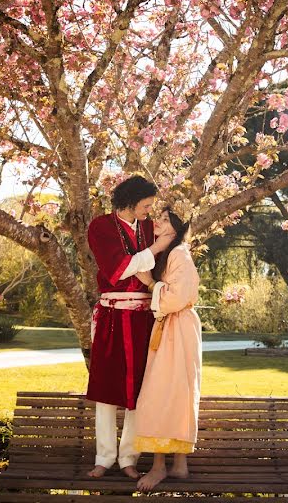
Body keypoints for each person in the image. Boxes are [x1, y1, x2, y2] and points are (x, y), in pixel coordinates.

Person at [85, 176, 174, 479]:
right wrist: (157, 248)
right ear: (131, 200)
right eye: (146, 204)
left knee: (140, 388)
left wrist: (155, 256)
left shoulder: (149, 228)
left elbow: (157, 268)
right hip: (111, 316)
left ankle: (128, 458)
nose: (150, 210)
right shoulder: (100, 227)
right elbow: (117, 269)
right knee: (106, 389)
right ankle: (104, 457)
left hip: (143, 318)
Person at [132, 208, 203, 492]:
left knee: (166, 391)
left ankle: (161, 466)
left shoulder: (179, 254)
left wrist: (150, 283)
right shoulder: (171, 253)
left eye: (163, 219)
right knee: (172, 390)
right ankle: (178, 464)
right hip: (173, 327)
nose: (156, 222)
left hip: (178, 327)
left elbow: (178, 297)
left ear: (175, 229)